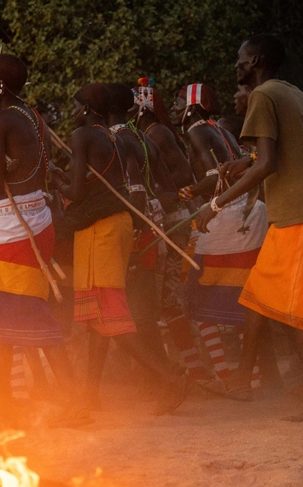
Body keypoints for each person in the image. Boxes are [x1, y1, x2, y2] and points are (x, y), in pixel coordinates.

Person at [198, 34, 303, 421]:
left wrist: (215, 203)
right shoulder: (292, 92)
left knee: (293, 310)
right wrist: (247, 161)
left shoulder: (263, 95)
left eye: (241, 58)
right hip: (300, 212)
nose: (237, 64)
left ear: (257, 60)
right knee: (260, 293)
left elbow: (268, 163)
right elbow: (277, 153)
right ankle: (240, 379)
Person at [0, 53, 82, 417]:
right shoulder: (33, 117)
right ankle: (1, 405)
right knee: (1, 315)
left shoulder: (0, 121)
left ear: (2, 86)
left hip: (14, 228)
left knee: (27, 313)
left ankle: (72, 404)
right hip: (32, 222)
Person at [60, 84, 188, 414]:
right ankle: (88, 396)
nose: (72, 114)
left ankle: (169, 377)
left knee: (109, 316)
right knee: (97, 319)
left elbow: (75, 191)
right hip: (115, 225)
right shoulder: (119, 137)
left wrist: (53, 178)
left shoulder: (85, 136)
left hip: (100, 230)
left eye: (75, 107)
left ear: (87, 110)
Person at [171, 83, 269, 390]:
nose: (174, 107)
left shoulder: (197, 130)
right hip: (248, 214)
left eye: (178, 101)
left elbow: (216, 176)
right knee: (241, 301)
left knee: (197, 299)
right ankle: (249, 379)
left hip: (225, 217)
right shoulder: (221, 129)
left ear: (193, 105)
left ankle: (227, 378)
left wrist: (187, 191)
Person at [131, 79, 202, 379]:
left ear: (143, 106)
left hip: (173, 223)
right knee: (165, 301)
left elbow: (184, 177)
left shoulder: (156, 133)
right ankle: (189, 368)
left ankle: (196, 371)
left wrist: (163, 198)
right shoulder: (149, 133)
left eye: (133, 104)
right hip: (169, 221)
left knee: (169, 301)